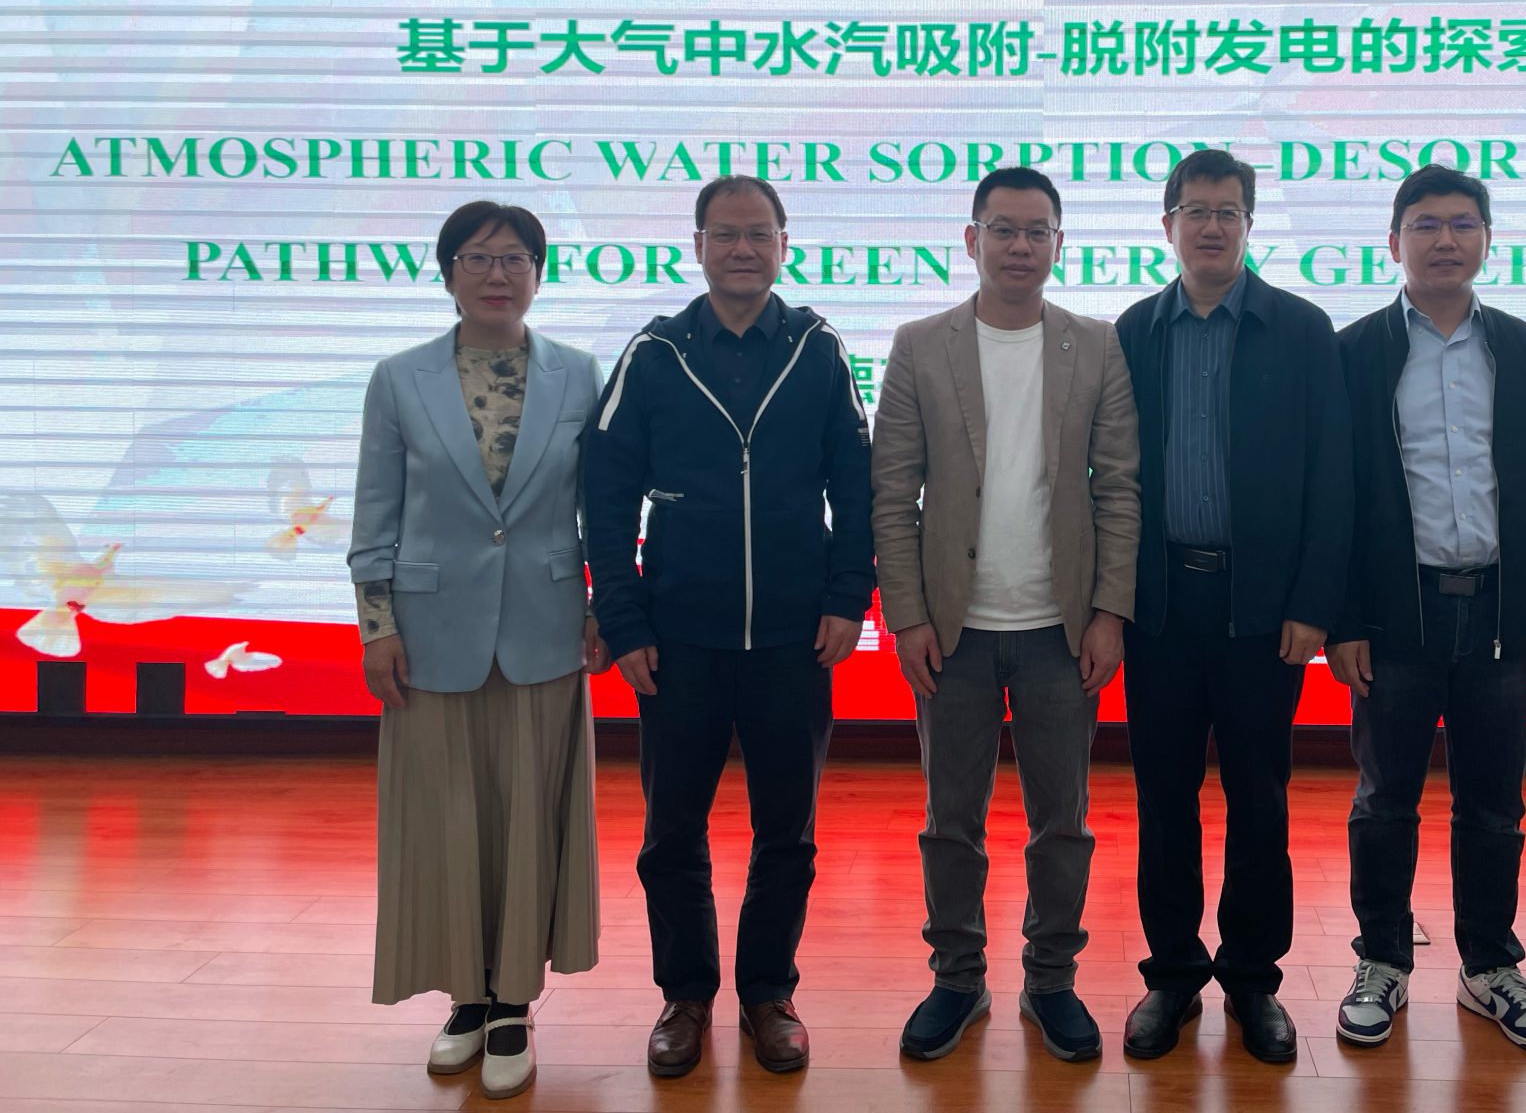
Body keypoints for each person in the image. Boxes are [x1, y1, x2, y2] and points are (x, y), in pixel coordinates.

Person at [582, 175, 873, 1079]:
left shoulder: (818, 349)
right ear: (699, 245)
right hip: (679, 641)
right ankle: (685, 995)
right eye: (725, 234)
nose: (742, 249)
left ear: (784, 243)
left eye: (758, 234)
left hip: (792, 639)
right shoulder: (655, 353)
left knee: (788, 832)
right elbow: (604, 492)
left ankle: (768, 992)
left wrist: (848, 598)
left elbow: (856, 483)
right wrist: (621, 615)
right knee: (672, 833)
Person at [872, 167, 1141, 1064]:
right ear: (972, 239)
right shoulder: (920, 345)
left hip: (1062, 631)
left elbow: (1120, 489)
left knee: (1062, 821)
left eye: (1037, 232)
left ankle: (1051, 980)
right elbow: (892, 494)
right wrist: (906, 617)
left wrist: (1109, 611)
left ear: (1060, 244)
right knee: (951, 819)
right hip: (953, 631)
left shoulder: (1095, 345)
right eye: (1003, 229)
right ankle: (957, 979)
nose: (1019, 246)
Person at [349, 199, 609, 1101]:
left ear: (539, 273)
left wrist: (604, 607)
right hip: (431, 633)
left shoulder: (580, 376)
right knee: (449, 819)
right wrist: (377, 626)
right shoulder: (400, 379)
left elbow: (603, 509)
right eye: (477, 258)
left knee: (528, 818)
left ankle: (514, 1003)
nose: (497, 274)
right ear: (447, 272)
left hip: (546, 626)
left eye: (514, 259)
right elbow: (375, 514)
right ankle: (466, 996)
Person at [1327, 164, 1526, 1056]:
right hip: (1396, 617)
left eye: (1463, 223)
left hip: (1503, 614)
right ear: (1393, 242)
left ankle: (1489, 968)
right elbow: (1335, 500)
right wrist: (1342, 618)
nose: (1445, 239)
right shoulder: (1353, 354)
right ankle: (1382, 960)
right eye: (1426, 224)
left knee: (1494, 805)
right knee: (1384, 800)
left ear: (1487, 240)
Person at [1112, 147, 1353, 1064]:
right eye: (1195, 211)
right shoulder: (1133, 332)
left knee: (1260, 799)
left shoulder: (1301, 330)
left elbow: (1332, 478)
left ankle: (1253, 979)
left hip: (1264, 609)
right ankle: (1173, 973)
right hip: (1160, 605)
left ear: (1250, 225)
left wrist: (1313, 602)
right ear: (1167, 224)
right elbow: (1108, 477)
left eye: (1228, 212)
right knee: (1164, 799)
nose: (1211, 226)